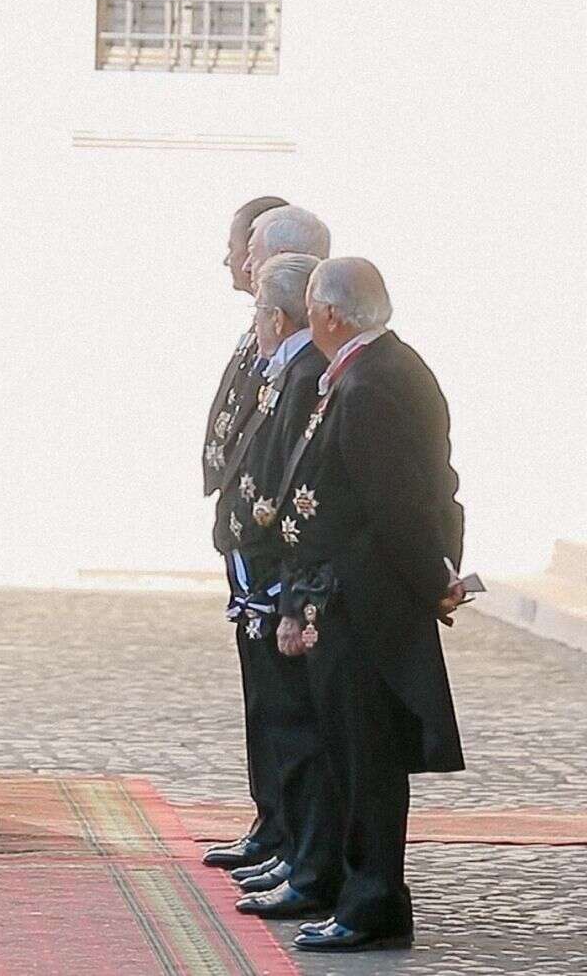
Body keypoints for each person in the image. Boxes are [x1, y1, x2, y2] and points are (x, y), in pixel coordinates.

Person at [277, 258, 465, 952]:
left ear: (330, 314)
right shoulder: (375, 369)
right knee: (354, 759)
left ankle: (372, 902)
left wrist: (435, 578)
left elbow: (398, 504)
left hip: (366, 606)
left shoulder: (368, 385)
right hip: (350, 598)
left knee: (366, 765)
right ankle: (364, 894)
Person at [214, 253, 341, 918]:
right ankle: (291, 845)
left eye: (261, 309)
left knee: (298, 727)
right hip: (265, 567)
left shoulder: (303, 374)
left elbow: (295, 484)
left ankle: (308, 858)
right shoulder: (287, 369)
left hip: (283, 573)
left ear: (278, 314)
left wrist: (285, 583)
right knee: (279, 721)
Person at [200, 195, 288, 871]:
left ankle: (292, 834)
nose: (237, 260)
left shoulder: (293, 347)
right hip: (243, 537)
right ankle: (272, 821)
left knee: (286, 705)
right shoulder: (255, 329)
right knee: (264, 701)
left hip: (273, 548)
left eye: (246, 248)